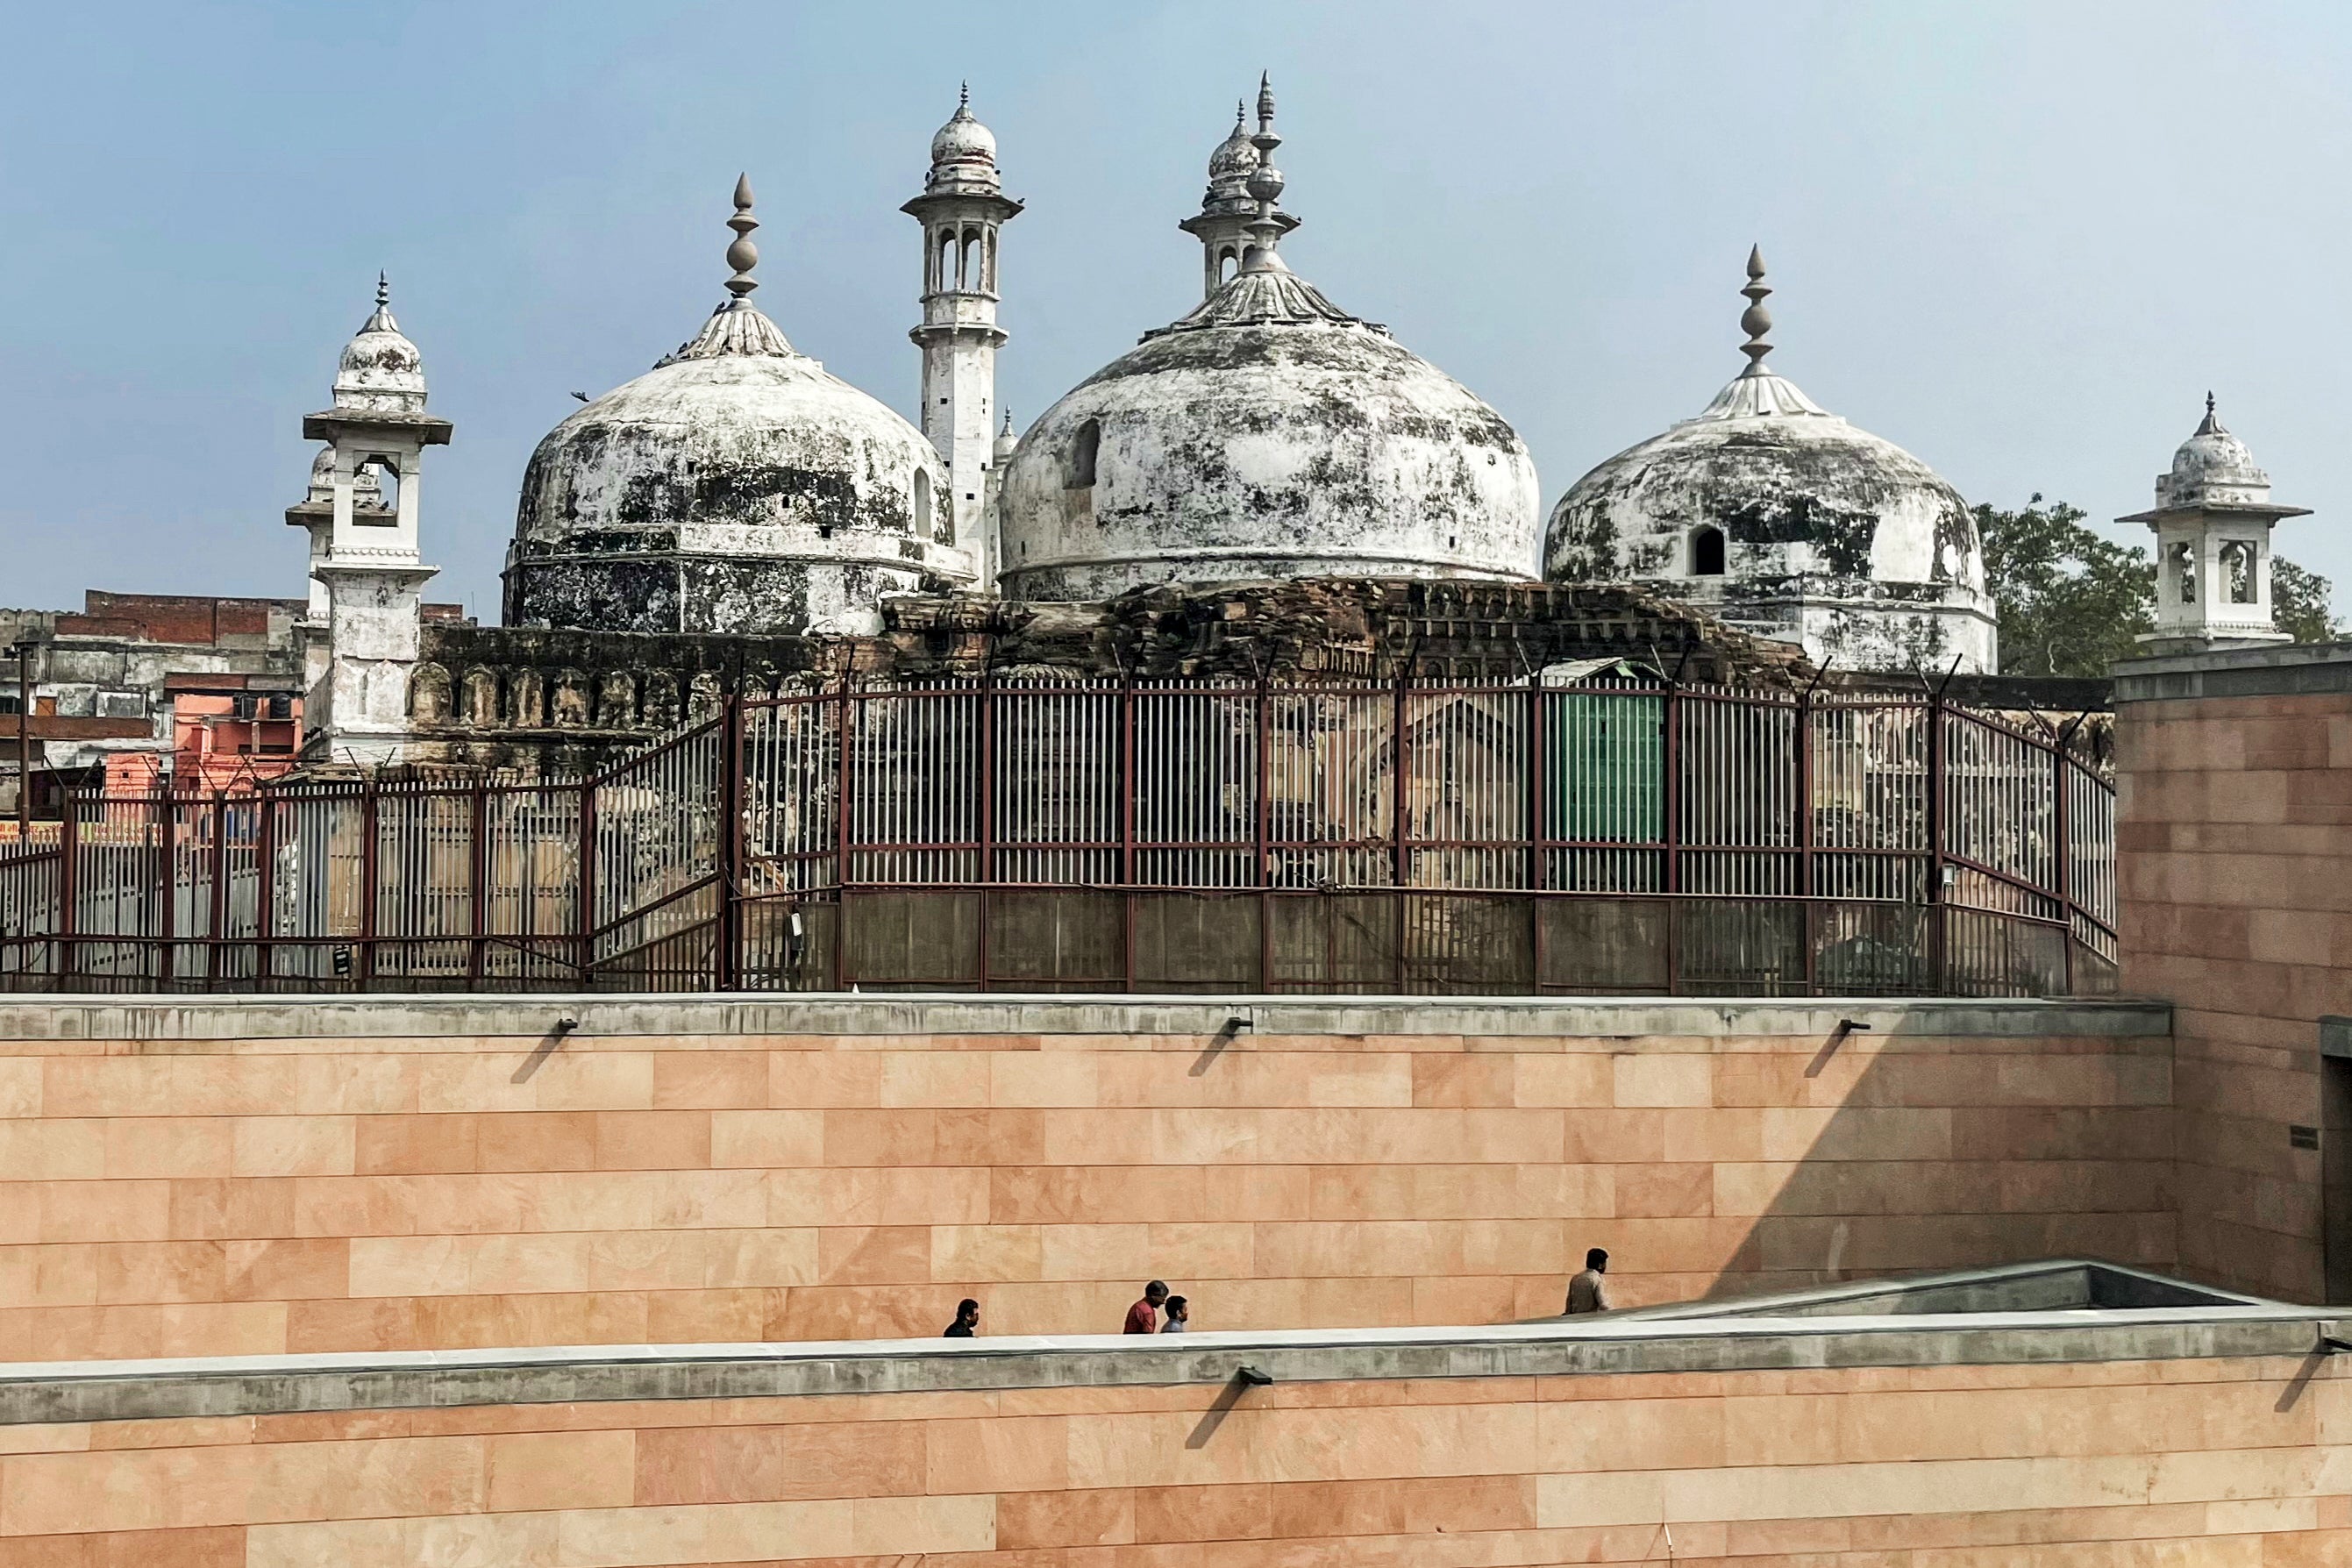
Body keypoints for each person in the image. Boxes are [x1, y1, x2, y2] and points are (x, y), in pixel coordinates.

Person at [1565, 1248, 1612, 1315]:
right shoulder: (1597, 1279)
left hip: (1574, 1318)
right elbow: (1603, 1303)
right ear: (1600, 1265)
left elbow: (1569, 1301)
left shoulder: (1576, 1278)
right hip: (1590, 1319)